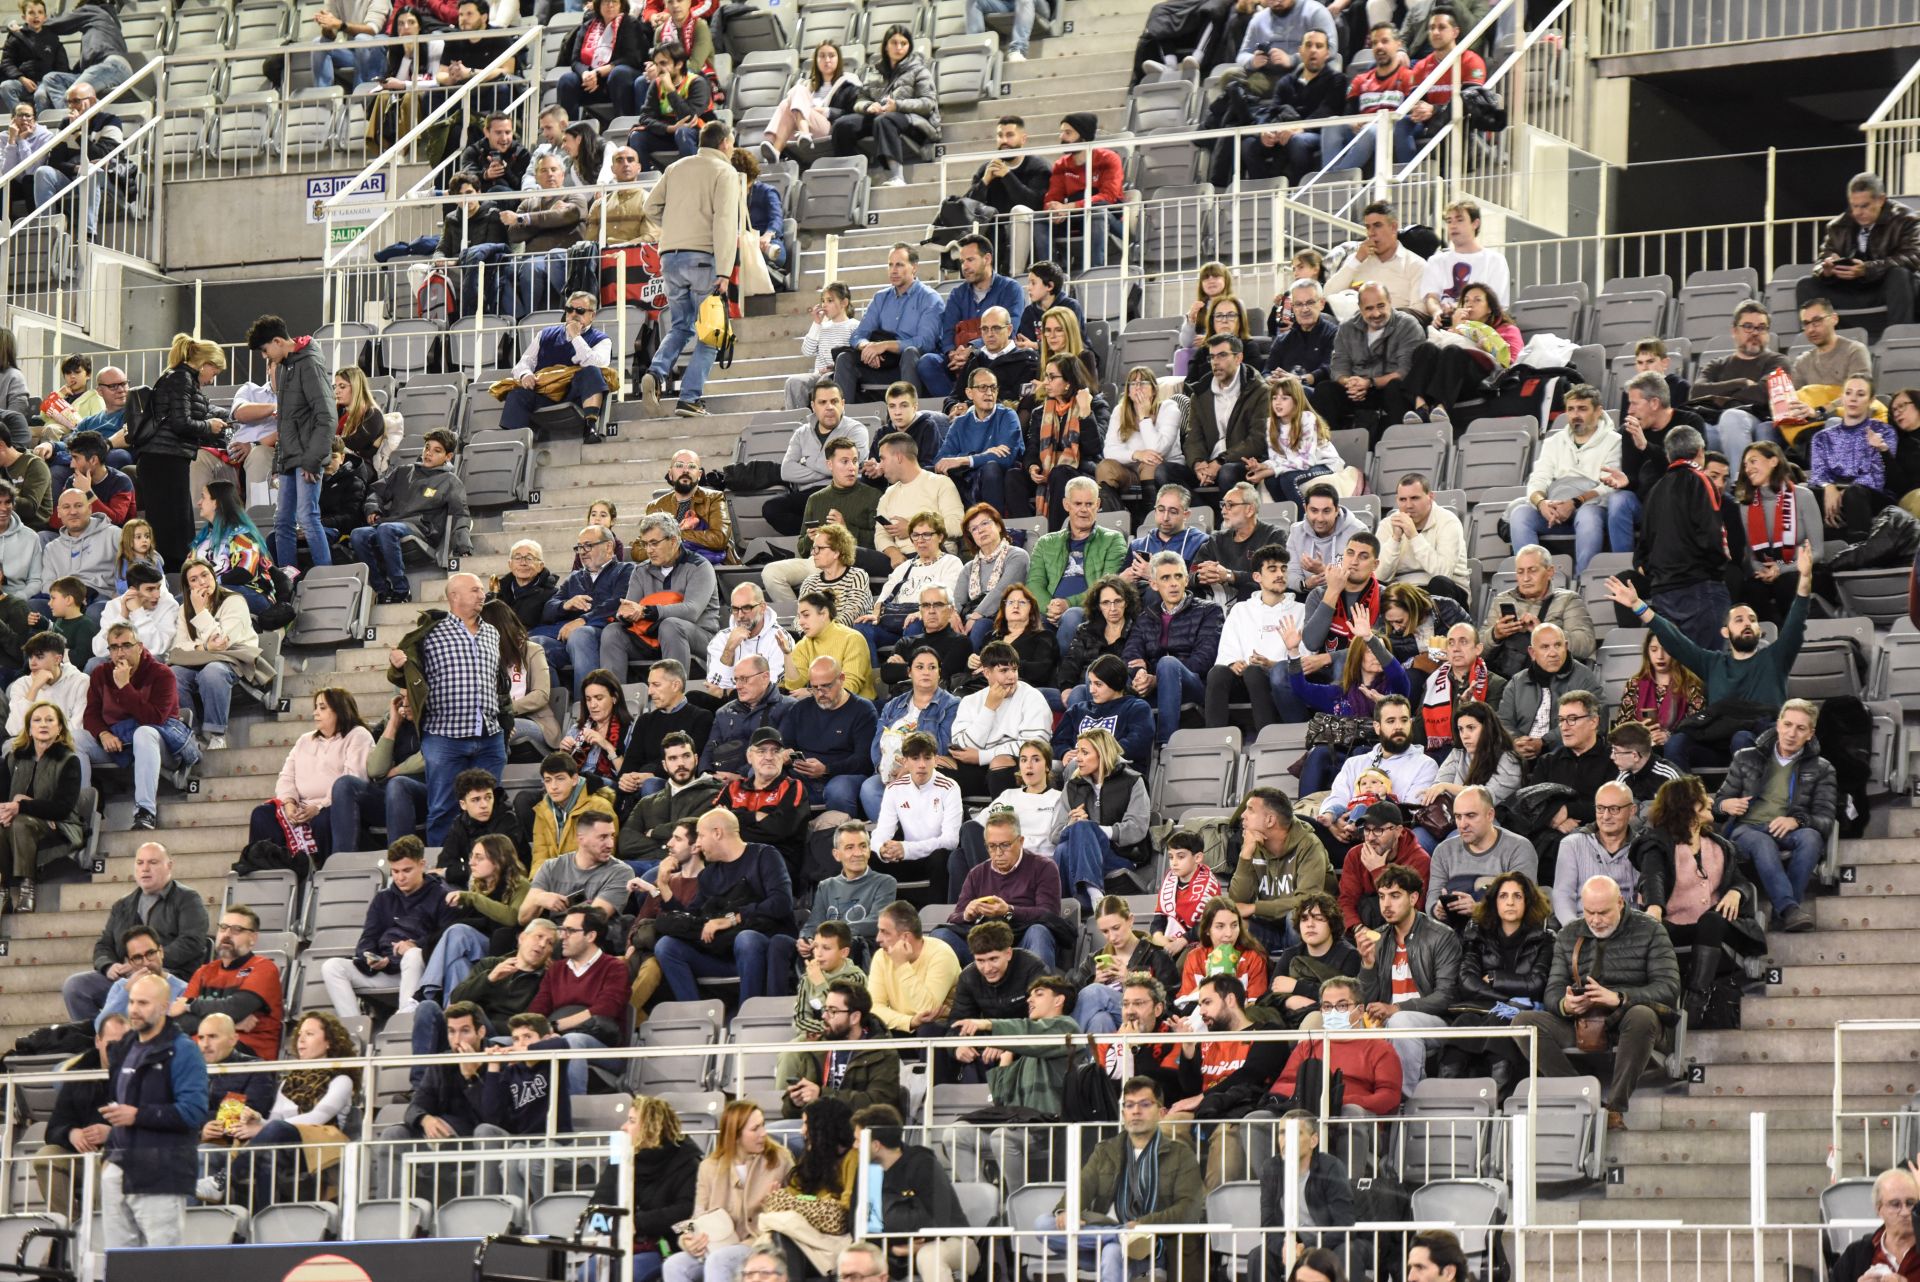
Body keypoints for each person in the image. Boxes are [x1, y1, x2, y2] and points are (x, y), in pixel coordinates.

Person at [1603, 544, 1811, 771]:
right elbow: (1675, 640)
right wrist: (1638, 605)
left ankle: (1749, 802)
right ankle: (1680, 800)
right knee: (1678, 742)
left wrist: (1805, 578)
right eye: (1739, 620)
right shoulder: (1712, 663)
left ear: (1760, 630)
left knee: (1741, 738)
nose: (1747, 624)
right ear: (1725, 632)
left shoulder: (1775, 658)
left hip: (1762, 745)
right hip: (1718, 746)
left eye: (1752, 620)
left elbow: (1795, 623)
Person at [1493, 875, 1679, 1128]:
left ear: (1621, 903)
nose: (1595, 920)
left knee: (1641, 1016)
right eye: (1589, 912)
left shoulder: (1651, 930)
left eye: (1603, 912)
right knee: (1524, 1022)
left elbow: (1668, 988)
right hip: (1583, 1022)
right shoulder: (1570, 933)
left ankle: (1614, 1108)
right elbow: (1553, 991)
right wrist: (1565, 1005)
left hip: (1631, 1021)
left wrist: (1619, 998)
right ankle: (1584, 1096)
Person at [1046, 1076, 1206, 1282]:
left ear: (1161, 1113)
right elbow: (1082, 1186)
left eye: (1145, 1104)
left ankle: (1121, 1238)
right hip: (1107, 1235)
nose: (1136, 1111)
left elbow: (1188, 1208)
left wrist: (1141, 1225)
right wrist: (1067, 1210)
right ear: (1123, 1113)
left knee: (1113, 1252)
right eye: (1129, 1105)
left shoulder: (1180, 1154)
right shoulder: (1106, 1150)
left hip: (1155, 1246)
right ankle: (1119, 1236)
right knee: (1044, 1223)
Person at [1634, 775, 1764, 1027]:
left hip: (1715, 927)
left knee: (1712, 921)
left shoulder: (1719, 845)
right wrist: (1654, 908)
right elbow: (1653, 877)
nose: (1709, 800)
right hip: (1673, 924)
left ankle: (1695, 1000)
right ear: (1687, 806)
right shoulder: (1656, 843)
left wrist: (1737, 892)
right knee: (1675, 928)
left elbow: (1741, 881)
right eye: (1701, 796)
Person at [389, 573, 509, 845]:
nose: (482, 595)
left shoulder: (492, 632)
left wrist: (506, 723)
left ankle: (488, 871)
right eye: (475, 590)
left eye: (481, 591)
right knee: (443, 809)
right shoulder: (429, 633)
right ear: (454, 596)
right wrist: (397, 664)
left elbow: (498, 684)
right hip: (444, 736)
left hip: (489, 735)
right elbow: (405, 674)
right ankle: (443, 872)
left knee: (490, 811)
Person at [637, 120, 739, 418]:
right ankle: (690, 398)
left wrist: (673, 228)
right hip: (704, 260)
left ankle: (656, 373)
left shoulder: (676, 167)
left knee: (681, 326)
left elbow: (649, 208)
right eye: (731, 143)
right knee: (711, 333)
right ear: (723, 144)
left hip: (669, 257)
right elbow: (724, 222)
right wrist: (724, 270)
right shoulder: (725, 171)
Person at [98, 973, 207, 1248]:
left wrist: (138, 1115)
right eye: (132, 1002)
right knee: (120, 1265)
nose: (134, 1009)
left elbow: (193, 1112)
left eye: (143, 1003)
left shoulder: (183, 1051)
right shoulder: (124, 1047)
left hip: (161, 1172)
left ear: (164, 1007)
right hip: (119, 1168)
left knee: (161, 1267)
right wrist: (110, 1157)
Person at [1711, 699, 1834, 934]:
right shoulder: (1746, 757)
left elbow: (1826, 819)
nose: (1791, 733)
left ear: (1810, 734)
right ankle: (1789, 910)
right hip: (1746, 830)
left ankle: (1784, 913)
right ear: (1777, 725)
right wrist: (1726, 805)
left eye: (1800, 728)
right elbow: (1717, 805)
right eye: (1787, 724)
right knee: (1762, 841)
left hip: (1788, 829)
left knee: (1811, 838)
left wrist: (1796, 821)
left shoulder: (1822, 768)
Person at [1353, 862, 1460, 1094]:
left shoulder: (1441, 936)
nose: (1386, 905)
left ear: (1413, 898)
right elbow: (1366, 1000)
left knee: (1401, 1023)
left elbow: (1445, 997)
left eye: (1395, 896)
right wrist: (1368, 964)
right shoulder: (1378, 938)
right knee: (1342, 1021)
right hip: (1388, 1020)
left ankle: (1409, 1102)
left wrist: (1396, 1008)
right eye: (1381, 897)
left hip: (1435, 1022)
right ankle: (1354, 1100)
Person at [81, 621, 199, 831]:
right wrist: (103, 733)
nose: (120, 653)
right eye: (114, 647)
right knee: (74, 739)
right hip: (117, 741)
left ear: (140, 646)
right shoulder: (100, 673)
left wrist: (125, 687)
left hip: (159, 743)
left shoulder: (162, 673)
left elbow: (153, 718)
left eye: (126, 645)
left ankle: (145, 812)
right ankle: (81, 815)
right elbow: (90, 714)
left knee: (144, 733)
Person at [318, 836, 453, 1018]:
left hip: (421, 970)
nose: (400, 877)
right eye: (395, 871)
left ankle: (405, 1019)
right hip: (385, 969)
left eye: (407, 870)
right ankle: (354, 1029)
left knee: (412, 955)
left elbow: (445, 939)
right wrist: (370, 957)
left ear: (422, 864)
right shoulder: (383, 898)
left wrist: (415, 945)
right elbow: (368, 938)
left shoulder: (441, 896)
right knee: (332, 966)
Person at [242, 315, 334, 570]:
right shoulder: (284, 366)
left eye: (265, 350)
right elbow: (285, 421)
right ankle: (287, 579)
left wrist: (312, 460)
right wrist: (280, 462)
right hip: (290, 459)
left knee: (307, 517)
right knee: (282, 521)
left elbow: (326, 417)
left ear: (278, 341)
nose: (265, 356)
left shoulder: (310, 364)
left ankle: (326, 577)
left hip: (307, 459)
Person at [666, 1101, 795, 1282]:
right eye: (755, 1129)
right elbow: (697, 1216)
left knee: (719, 1260)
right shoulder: (709, 1167)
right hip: (717, 1242)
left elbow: (795, 1207)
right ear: (735, 1135)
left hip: (758, 1241)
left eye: (763, 1125)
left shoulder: (780, 1159)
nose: (763, 1133)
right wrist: (688, 1238)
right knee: (673, 1264)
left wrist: (776, 1202)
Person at [354, 429, 474, 605]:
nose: (428, 453)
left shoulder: (451, 481)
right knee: (358, 534)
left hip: (423, 529)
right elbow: (376, 491)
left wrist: (463, 545)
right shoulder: (403, 471)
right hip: (393, 523)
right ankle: (382, 589)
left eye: (436, 450)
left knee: (387, 529)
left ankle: (402, 589)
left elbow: (460, 513)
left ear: (448, 456)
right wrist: (373, 508)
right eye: (427, 447)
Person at [140, 335, 230, 569]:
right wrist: (209, 426)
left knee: (175, 523)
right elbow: (182, 423)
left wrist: (230, 415)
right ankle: (174, 573)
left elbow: (198, 409)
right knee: (174, 525)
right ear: (205, 365)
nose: (213, 378)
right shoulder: (181, 379)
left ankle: (174, 571)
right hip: (164, 460)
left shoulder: (180, 378)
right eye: (215, 371)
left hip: (166, 458)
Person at [860, 1108, 978, 1282]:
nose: (854, 1147)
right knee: (857, 1257)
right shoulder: (868, 1173)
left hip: (954, 1242)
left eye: (858, 1141)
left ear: (876, 1145)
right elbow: (864, 1226)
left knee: (927, 1255)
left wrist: (908, 1245)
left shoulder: (923, 1164)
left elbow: (940, 1220)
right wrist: (893, 1248)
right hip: (898, 1248)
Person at [933, 808, 1062, 966]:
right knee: (941, 935)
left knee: (1039, 932)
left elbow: (1049, 913)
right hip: (984, 949)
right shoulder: (977, 873)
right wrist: (967, 913)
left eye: (1005, 845)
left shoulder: (1043, 867)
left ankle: (1042, 988)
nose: (998, 853)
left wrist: (1009, 910)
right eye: (992, 846)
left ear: (1020, 841)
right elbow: (954, 918)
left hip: (1022, 943)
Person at [1205, 543, 1302, 731]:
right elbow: (1227, 648)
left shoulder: (1301, 610)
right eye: (1272, 569)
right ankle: (1213, 738)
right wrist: (1233, 662)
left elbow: (1305, 657)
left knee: (1254, 671)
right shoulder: (1241, 609)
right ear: (1257, 576)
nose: (1280, 575)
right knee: (1217, 673)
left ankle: (1265, 736)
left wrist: (1271, 664)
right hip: (1243, 679)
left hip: (1280, 680)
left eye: (1283, 569)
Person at [1030, 476, 1129, 659]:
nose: (1084, 510)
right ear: (1066, 505)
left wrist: (1068, 604)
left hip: (1089, 610)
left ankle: (1063, 675)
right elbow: (1035, 583)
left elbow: (1107, 586)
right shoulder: (1046, 542)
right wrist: (1050, 607)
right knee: (1023, 622)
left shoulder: (1113, 539)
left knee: (1072, 617)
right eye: (1078, 503)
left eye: (1089, 504)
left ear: (1098, 504)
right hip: (1050, 611)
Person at [1050, 727, 1152, 904]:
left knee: (1082, 830)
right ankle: (1091, 897)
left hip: (1118, 857)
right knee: (1063, 849)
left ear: (1102, 753)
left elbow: (1137, 828)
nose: (1077, 758)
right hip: (1077, 854)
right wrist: (1071, 824)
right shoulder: (1072, 786)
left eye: (1084, 752)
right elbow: (1056, 835)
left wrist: (1094, 830)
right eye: (1077, 752)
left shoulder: (1133, 781)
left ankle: (1070, 904)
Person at [0, 696, 83, 911]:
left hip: (60, 826)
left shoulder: (69, 760)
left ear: (60, 729)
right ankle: (3, 891)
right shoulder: (13, 758)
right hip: (18, 820)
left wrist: (22, 805)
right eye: (37, 720)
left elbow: (62, 808)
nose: (43, 725)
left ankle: (28, 887)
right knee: (4, 824)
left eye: (49, 720)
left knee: (20, 822)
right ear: (28, 728)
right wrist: (5, 810)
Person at [830, 26, 939, 187]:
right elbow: (860, 99)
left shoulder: (919, 71)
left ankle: (896, 176)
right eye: (894, 43)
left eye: (904, 43)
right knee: (842, 125)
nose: (899, 47)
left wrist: (898, 106)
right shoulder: (875, 72)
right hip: (880, 116)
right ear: (886, 46)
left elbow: (928, 103)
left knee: (884, 120)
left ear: (909, 46)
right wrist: (868, 106)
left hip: (915, 122)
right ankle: (851, 174)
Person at [1231, 786, 1331, 953]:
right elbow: (1239, 900)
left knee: (1298, 916)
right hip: (1271, 928)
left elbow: (1308, 899)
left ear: (1270, 820)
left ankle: (1299, 966)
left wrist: (1255, 908)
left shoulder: (1309, 845)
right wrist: (1246, 855)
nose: (1242, 815)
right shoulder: (1253, 843)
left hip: (1307, 932)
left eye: (1250, 810)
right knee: (1233, 923)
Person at [502, 291, 613, 441]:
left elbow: (596, 363)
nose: (573, 314)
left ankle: (590, 427)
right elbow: (524, 362)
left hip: (576, 395)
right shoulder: (545, 334)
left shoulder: (602, 340)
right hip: (547, 393)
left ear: (592, 315)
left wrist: (576, 337)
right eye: (569, 309)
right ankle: (515, 441)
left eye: (580, 311)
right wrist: (525, 374)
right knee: (517, 393)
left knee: (592, 371)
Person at [1315, 283, 1422, 436]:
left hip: (1391, 388)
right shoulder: (1346, 328)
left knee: (1396, 387)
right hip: (1358, 390)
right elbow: (1338, 369)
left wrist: (1370, 383)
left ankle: (1399, 442)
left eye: (1381, 306)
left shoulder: (1407, 324)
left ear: (1390, 302)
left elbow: (1405, 371)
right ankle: (1330, 447)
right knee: (1325, 390)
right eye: (1369, 308)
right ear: (1360, 307)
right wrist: (1351, 383)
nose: (1377, 313)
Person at [1493, 622, 1604, 763]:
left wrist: (1544, 742)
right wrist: (1517, 742)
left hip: (1565, 756)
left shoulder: (1583, 677)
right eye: (1545, 647)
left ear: (1566, 646)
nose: (1553, 653)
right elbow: (1503, 721)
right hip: (1520, 757)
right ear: (1532, 653)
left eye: (1558, 645)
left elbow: (1596, 718)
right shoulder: (1517, 682)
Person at [1036, 113, 1123, 270]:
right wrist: (1053, 211)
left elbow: (1108, 197)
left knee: (1095, 212)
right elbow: (1052, 197)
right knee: (1039, 221)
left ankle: (1095, 271)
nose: (1062, 137)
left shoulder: (1109, 158)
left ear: (1084, 136)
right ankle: (1051, 273)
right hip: (1075, 216)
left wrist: (1067, 208)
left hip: (1109, 216)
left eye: (1068, 133)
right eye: (1061, 132)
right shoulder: (1061, 165)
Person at [867, 899, 961, 1034]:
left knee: (927, 1029)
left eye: (885, 932)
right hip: (903, 1024)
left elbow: (928, 1009)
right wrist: (909, 1022)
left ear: (905, 937)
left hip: (942, 1028)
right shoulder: (881, 956)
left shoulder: (941, 954)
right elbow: (874, 1007)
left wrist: (901, 965)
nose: (878, 939)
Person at [1829, 1165, 1920, 1281]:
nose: (1905, 1212)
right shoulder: (1857, 1254)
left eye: (1911, 1203)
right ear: (1879, 1209)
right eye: (1895, 1204)